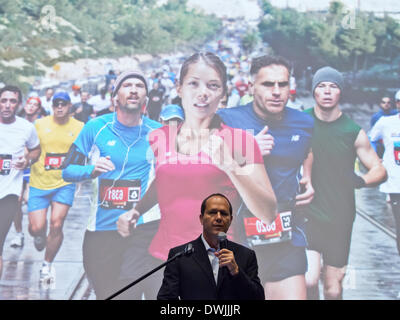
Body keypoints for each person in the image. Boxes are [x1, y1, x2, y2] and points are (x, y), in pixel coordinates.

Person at [117, 52, 277, 296]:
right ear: (179, 88)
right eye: (194, 83)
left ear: (223, 94)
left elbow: (268, 213)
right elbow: (166, 182)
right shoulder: (161, 136)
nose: (203, 93)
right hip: (163, 261)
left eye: (213, 86)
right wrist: (137, 210)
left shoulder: (239, 142)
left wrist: (232, 168)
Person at [217, 55, 314, 300]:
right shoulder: (227, 119)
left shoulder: (303, 123)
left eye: (282, 84)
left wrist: (310, 181)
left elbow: (307, 152)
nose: (277, 92)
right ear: (251, 87)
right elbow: (204, 168)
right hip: (239, 238)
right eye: (268, 85)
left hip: (286, 237)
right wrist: (247, 150)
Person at [62, 70, 162, 300]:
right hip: (102, 230)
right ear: (115, 96)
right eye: (127, 85)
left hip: (144, 228)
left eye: (140, 85)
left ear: (146, 97)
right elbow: (67, 170)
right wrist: (91, 169)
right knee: (106, 293)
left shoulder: (158, 132)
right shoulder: (94, 128)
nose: (134, 89)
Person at [304, 66, 387, 300]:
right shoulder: (300, 123)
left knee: (333, 288)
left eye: (334, 86)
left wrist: (361, 180)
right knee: (309, 278)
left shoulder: (353, 131)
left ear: (340, 92)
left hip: (340, 216)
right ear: (314, 92)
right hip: (307, 213)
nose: (328, 91)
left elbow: (379, 169)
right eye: (322, 86)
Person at [157, 193, 265, 300]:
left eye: (223, 213)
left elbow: (258, 298)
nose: (218, 218)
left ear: (231, 220)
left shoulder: (246, 255)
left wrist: (236, 271)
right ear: (201, 218)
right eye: (212, 212)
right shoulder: (180, 256)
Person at [27, 91, 84, 284]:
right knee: (36, 227)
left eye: (63, 104)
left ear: (70, 107)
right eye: (56, 104)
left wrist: (82, 175)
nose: (59, 107)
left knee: (57, 223)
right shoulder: (39, 124)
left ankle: (47, 265)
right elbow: (29, 147)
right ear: (52, 107)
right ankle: (39, 235)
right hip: (39, 182)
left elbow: (85, 150)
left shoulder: (79, 127)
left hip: (64, 183)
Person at [0, 85, 40, 278]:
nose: (7, 105)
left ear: (19, 104)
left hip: (8, 194)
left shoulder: (26, 128)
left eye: (12, 101)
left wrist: (28, 160)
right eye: (3, 101)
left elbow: (36, 150)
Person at [9, 97, 47, 248]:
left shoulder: (43, 124)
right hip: (18, 165)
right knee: (16, 201)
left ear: (39, 109)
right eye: (29, 104)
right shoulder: (15, 121)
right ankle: (18, 233)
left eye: (35, 105)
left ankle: (38, 229)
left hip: (35, 166)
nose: (31, 107)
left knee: (29, 200)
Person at [369, 96, 400, 255]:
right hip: (395, 183)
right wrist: (374, 159)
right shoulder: (385, 122)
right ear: (398, 104)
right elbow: (370, 140)